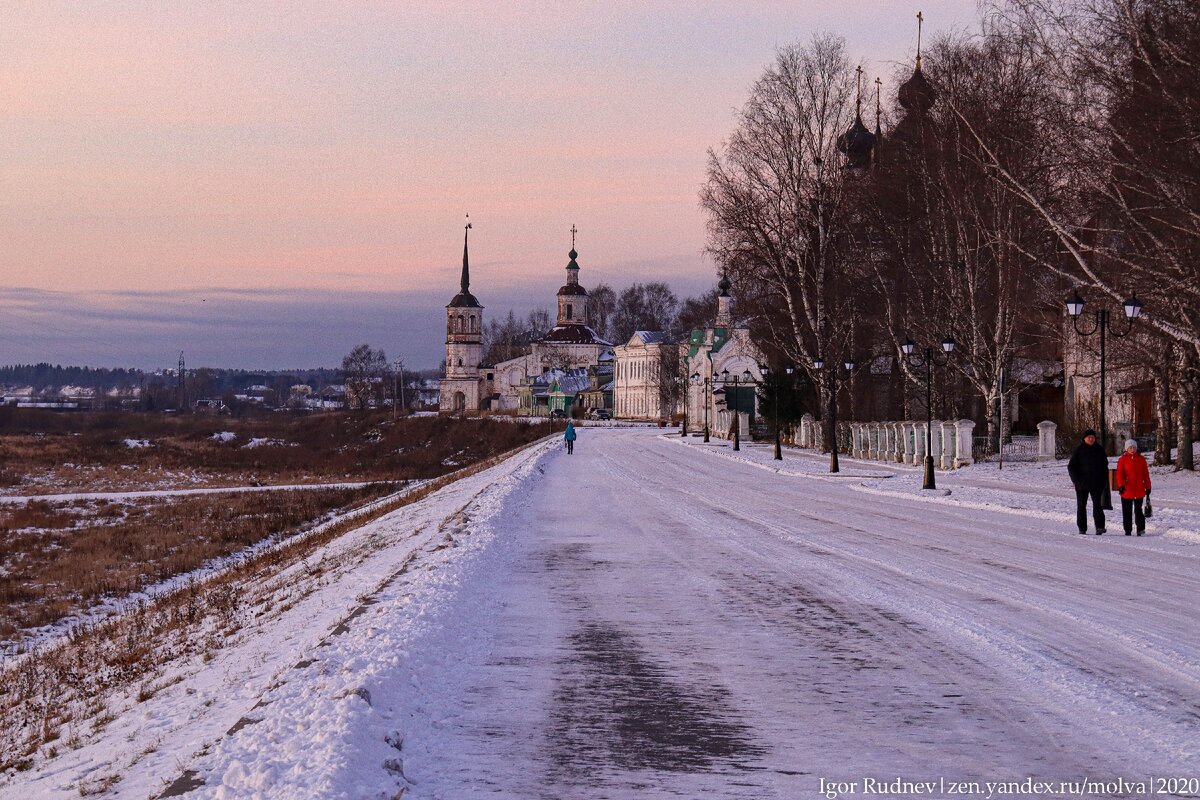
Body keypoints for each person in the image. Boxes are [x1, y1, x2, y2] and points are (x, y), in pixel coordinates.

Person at [1068, 429, 1109, 534]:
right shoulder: (1079, 450)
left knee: (1097, 505)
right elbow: (1071, 467)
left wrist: (1104, 481)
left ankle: (1100, 526)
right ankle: (1082, 527)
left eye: (1092, 437)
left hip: (1096, 483)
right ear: (1084, 439)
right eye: (1089, 437)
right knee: (1081, 506)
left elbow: (1105, 467)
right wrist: (1076, 480)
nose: (1091, 439)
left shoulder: (1099, 450)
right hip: (1081, 484)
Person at [1115, 439, 1151, 536]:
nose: (1132, 449)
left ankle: (1141, 529)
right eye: (1130, 447)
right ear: (1127, 449)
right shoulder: (1122, 460)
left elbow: (1146, 474)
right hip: (1127, 489)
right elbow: (1119, 474)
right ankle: (1127, 529)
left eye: (1134, 447)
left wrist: (1148, 487)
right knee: (1127, 511)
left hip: (1139, 489)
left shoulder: (1141, 459)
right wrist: (1121, 485)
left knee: (1138, 510)